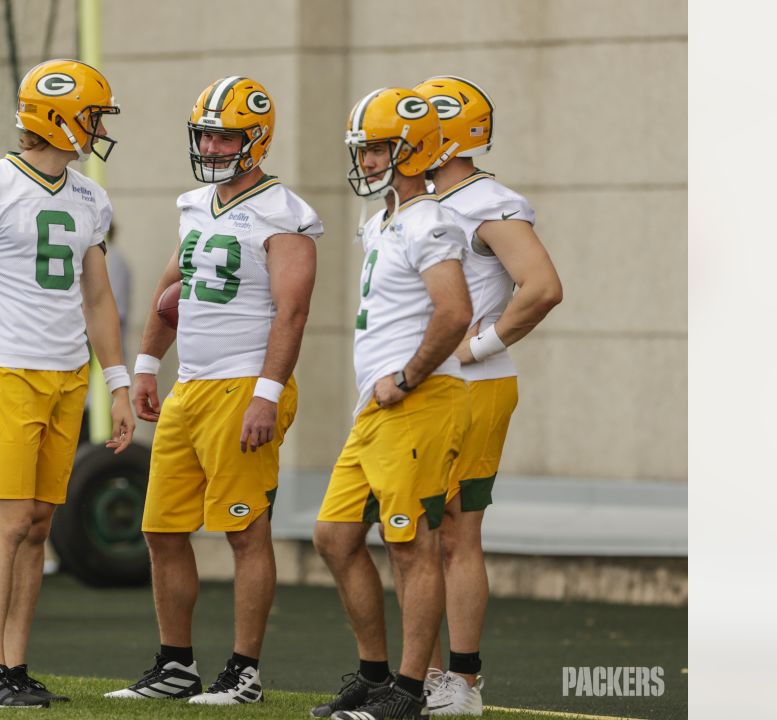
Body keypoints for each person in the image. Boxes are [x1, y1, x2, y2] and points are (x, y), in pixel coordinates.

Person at [104, 75, 321, 705]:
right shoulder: (197, 205)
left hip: (243, 386)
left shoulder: (286, 214)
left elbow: (293, 313)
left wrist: (268, 393)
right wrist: (147, 364)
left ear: (256, 138)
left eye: (225, 134)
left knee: (245, 530)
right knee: (161, 529)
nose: (213, 145)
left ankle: (244, 672)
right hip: (192, 387)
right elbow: (174, 290)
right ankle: (176, 665)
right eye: (206, 133)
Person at [0, 58, 135, 709]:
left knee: (42, 522)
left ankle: (15, 666)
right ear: (60, 115)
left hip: (67, 372)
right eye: (93, 114)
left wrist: (119, 383)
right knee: (11, 518)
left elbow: (99, 300)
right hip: (9, 370)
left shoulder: (89, 196)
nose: (98, 127)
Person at [311, 87, 474, 720]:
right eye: (364, 148)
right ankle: (376, 675)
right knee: (334, 535)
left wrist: (406, 377)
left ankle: (407, 693)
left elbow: (455, 311)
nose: (369, 160)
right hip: (378, 406)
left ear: (415, 149)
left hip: (418, 399)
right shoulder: (384, 218)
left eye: (379, 147)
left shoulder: (431, 220)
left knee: (411, 544)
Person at [411, 76, 563, 716]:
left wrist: (478, 347)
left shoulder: (486, 201)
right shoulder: (424, 200)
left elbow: (542, 287)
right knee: (415, 533)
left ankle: (460, 683)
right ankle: (428, 674)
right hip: (428, 385)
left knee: (451, 534)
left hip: (469, 386)